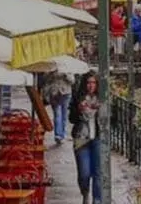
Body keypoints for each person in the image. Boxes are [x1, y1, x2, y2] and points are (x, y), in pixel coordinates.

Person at [70, 72, 104, 204]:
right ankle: (85, 192)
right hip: (81, 138)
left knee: (98, 172)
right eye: (88, 83)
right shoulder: (79, 98)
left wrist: (101, 110)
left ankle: (97, 200)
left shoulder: (102, 99)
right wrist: (79, 110)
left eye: (93, 83)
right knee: (84, 172)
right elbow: (71, 119)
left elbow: (112, 119)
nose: (91, 85)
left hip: (97, 138)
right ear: (85, 84)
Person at [43, 72, 73, 145]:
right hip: (54, 93)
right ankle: (58, 135)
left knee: (64, 115)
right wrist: (51, 74)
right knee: (57, 114)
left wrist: (66, 75)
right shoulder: (51, 67)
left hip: (66, 93)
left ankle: (62, 135)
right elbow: (45, 79)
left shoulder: (67, 67)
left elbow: (72, 81)